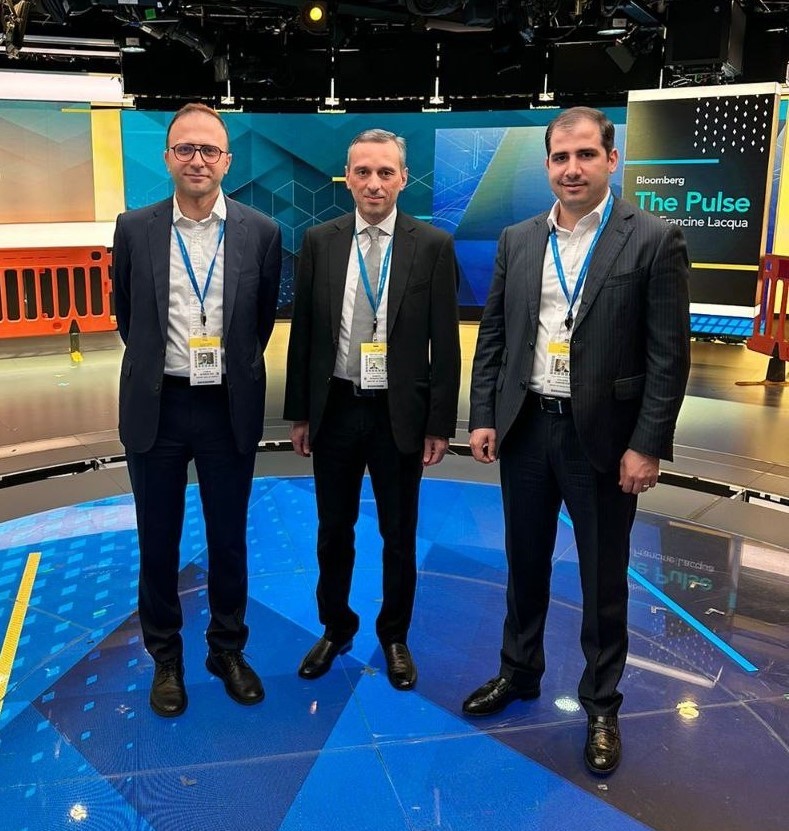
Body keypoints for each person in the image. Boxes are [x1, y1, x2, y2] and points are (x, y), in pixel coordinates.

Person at [462, 107, 690, 774]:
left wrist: (647, 443)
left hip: (605, 439)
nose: (572, 168)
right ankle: (518, 670)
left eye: (586, 154)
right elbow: (495, 335)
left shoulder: (653, 238)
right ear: (546, 165)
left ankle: (600, 704)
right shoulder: (517, 239)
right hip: (526, 429)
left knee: (602, 579)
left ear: (612, 160)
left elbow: (668, 355)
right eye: (560, 157)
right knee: (523, 563)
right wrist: (484, 414)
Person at [113, 102, 282, 717]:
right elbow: (127, 315)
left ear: (227, 161)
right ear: (167, 158)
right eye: (185, 148)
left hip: (226, 407)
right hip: (156, 406)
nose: (197, 160)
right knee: (157, 541)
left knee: (228, 538)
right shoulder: (134, 228)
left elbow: (258, 324)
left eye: (209, 150)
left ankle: (226, 649)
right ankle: (166, 657)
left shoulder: (262, 232)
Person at [284, 128, 461, 690]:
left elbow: (446, 343)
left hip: (399, 415)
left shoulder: (432, 246)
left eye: (386, 172)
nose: (374, 183)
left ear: (403, 178)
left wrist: (439, 422)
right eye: (363, 172)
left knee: (398, 534)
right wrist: (301, 412)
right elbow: (304, 334)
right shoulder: (320, 241)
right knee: (333, 531)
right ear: (348, 178)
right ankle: (336, 626)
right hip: (335, 408)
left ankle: (394, 635)